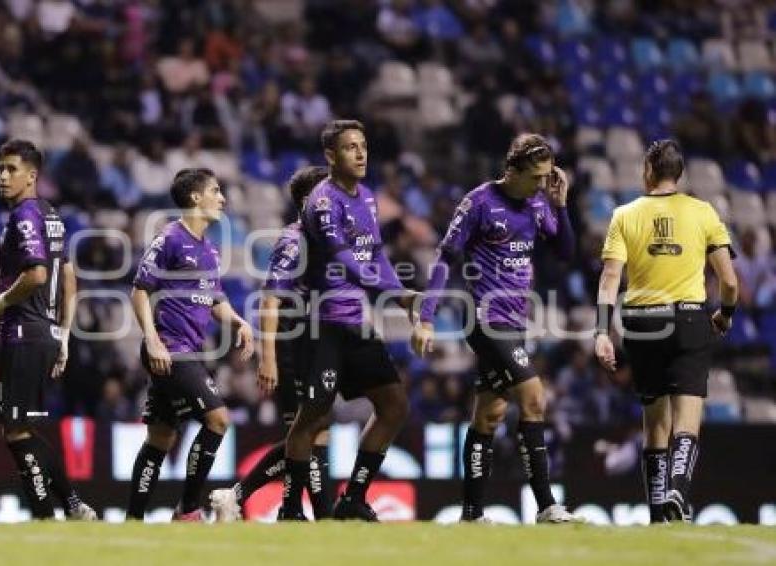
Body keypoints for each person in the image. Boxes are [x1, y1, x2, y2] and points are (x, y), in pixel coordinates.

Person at [411, 133, 581, 523]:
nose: (541, 184)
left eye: (545, 177)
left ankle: (471, 513)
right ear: (514, 170)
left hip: (516, 321)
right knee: (535, 397)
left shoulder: (539, 201)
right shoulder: (479, 202)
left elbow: (566, 251)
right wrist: (426, 316)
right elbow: (444, 258)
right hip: (485, 319)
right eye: (536, 177)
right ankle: (546, 505)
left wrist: (561, 205)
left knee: (489, 415)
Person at [278, 120, 416, 521]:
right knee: (313, 418)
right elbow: (344, 260)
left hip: (356, 324)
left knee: (394, 405)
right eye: (350, 147)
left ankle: (353, 496)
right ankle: (290, 508)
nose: (360, 153)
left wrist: (401, 295)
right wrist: (394, 294)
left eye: (364, 145)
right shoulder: (322, 202)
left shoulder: (367, 198)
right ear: (330, 156)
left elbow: (375, 257)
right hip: (322, 327)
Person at [593, 140, 738, 523]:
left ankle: (658, 512)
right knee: (687, 418)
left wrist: (601, 332)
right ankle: (678, 490)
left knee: (654, 421)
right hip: (690, 319)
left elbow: (610, 278)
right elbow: (730, 282)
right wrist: (724, 315)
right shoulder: (704, 212)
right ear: (680, 174)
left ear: (648, 170)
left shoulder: (624, 215)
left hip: (641, 322)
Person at [126, 168, 254, 521]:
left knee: (160, 438)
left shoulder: (209, 250)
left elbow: (214, 299)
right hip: (170, 349)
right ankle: (189, 509)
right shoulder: (169, 238)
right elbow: (139, 290)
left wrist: (239, 321)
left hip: (188, 351)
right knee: (217, 420)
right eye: (216, 190)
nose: (223, 198)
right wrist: (152, 341)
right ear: (196, 197)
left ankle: (132, 520)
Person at [209, 165, 332, 522]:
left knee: (316, 432)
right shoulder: (294, 241)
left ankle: (294, 511)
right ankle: (244, 497)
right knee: (306, 432)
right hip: (291, 348)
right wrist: (269, 359)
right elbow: (270, 299)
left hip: (313, 347)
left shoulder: (320, 241)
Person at [0, 139, 96, 521]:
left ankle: (48, 516)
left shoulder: (25, 217)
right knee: (19, 429)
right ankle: (72, 505)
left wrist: (1, 301)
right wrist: (63, 334)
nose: (3, 176)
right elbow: (69, 277)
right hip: (42, 332)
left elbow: (37, 274)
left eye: (12, 169)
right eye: (0, 169)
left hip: (24, 332)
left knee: (16, 432)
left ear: (32, 176)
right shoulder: (50, 214)